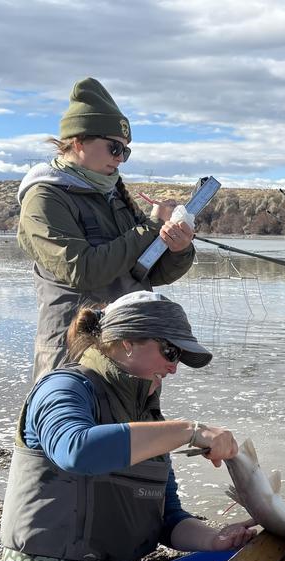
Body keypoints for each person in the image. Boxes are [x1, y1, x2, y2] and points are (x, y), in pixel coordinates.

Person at [0, 291, 255, 561]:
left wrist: (214, 539)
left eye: (180, 358)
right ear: (127, 340)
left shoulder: (153, 424)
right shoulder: (64, 388)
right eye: (170, 351)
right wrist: (191, 431)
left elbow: (168, 519)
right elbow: (76, 449)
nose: (173, 367)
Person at [17, 77, 195, 380]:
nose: (119, 159)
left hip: (131, 348)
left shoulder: (113, 194)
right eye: (114, 148)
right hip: (75, 351)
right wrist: (151, 227)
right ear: (78, 141)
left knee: (138, 427)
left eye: (125, 152)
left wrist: (178, 248)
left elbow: (148, 271)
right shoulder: (45, 197)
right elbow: (83, 270)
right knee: (76, 427)